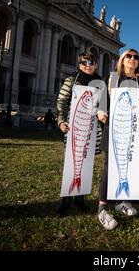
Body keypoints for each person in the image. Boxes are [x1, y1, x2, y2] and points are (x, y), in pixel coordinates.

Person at [96, 48, 139, 230]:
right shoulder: (111, 79)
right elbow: (101, 102)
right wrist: (100, 112)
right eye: (128, 57)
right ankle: (102, 208)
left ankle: (122, 201)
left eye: (136, 57)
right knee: (110, 168)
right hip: (115, 131)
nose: (132, 59)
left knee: (132, 167)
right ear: (122, 60)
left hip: (135, 132)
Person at [56, 52, 102, 216]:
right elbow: (62, 101)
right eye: (84, 62)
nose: (88, 65)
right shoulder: (71, 80)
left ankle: (80, 199)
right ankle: (66, 200)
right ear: (79, 64)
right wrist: (61, 120)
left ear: (96, 64)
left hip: (91, 130)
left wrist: (102, 113)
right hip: (73, 129)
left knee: (86, 164)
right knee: (71, 163)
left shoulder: (100, 83)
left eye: (91, 62)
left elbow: (103, 105)